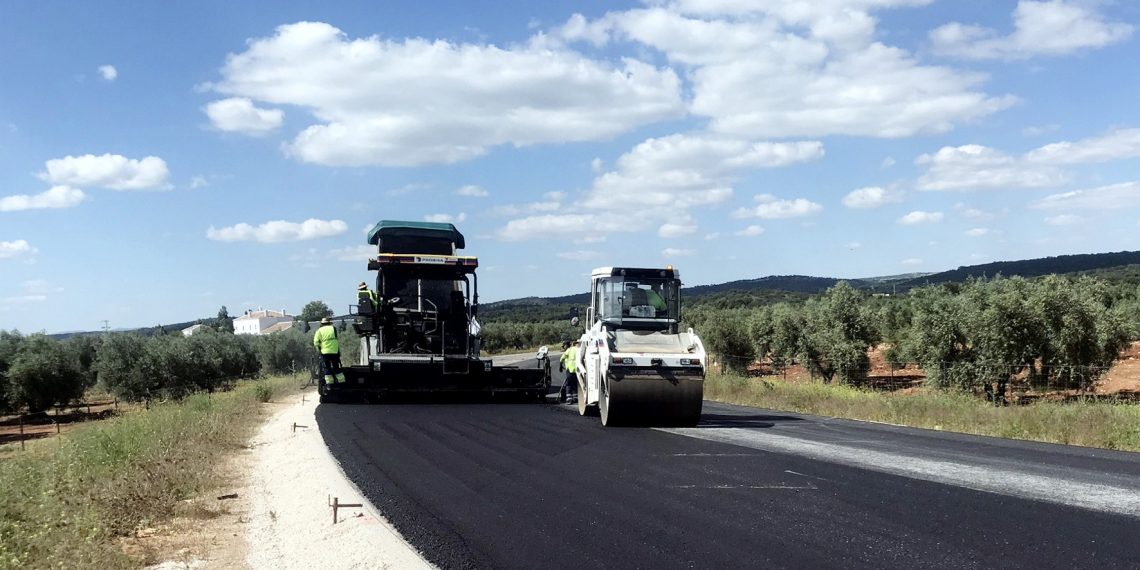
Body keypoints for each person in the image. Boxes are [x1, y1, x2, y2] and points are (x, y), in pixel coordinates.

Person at [313, 316, 346, 385]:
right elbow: (336, 340)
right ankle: (341, 382)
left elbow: (316, 342)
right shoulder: (333, 328)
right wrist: (338, 351)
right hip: (334, 351)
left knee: (327, 367)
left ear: (322, 323)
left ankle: (329, 384)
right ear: (329, 323)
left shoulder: (319, 330)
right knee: (336, 366)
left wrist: (319, 349)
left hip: (325, 352)